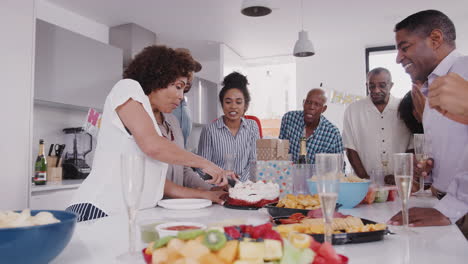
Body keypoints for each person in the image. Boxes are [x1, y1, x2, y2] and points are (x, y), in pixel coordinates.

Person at [67, 45, 234, 222]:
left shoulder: (153, 123)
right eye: (178, 86)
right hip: (99, 209)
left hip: (128, 216)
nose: (180, 96)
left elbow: (159, 184)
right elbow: (152, 145)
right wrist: (204, 163)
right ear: (158, 77)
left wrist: (207, 195)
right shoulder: (127, 88)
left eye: (183, 90)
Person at [388, 10, 468, 237]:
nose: (398, 58)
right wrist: (431, 169)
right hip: (445, 206)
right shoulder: (430, 89)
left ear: (435, 39)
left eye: (404, 47)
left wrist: (449, 210)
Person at [342, 68, 412, 179]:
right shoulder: (353, 110)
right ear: (367, 85)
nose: (376, 90)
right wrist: (366, 180)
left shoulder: (404, 108)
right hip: (365, 184)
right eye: (372, 86)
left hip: (400, 182)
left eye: (382, 85)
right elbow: (350, 149)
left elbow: (411, 147)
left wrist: (399, 176)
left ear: (391, 85)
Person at [198, 72, 260, 182]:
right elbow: (202, 167)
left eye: (238, 102)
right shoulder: (209, 130)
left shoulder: (252, 126)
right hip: (218, 188)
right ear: (222, 104)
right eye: (228, 102)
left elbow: (254, 162)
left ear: (245, 105)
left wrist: (239, 183)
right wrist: (222, 180)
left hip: (246, 188)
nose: (233, 106)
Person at [160, 113, 226, 204]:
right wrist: (201, 194)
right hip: (150, 207)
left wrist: (211, 190)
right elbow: (156, 181)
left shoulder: (172, 120)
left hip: (176, 205)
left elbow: (184, 170)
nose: (180, 98)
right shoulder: (141, 124)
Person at [279, 88, 343, 164]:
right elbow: (280, 152)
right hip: (290, 174)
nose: (311, 107)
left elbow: (340, 167)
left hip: (318, 175)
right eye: (308, 102)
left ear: (324, 109)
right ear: (303, 103)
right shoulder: (289, 119)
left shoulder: (332, 133)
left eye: (317, 104)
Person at [172, 48, 202, 147]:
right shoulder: (163, 105)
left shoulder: (184, 105)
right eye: (183, 70)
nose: (189, 75)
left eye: (191, 70)